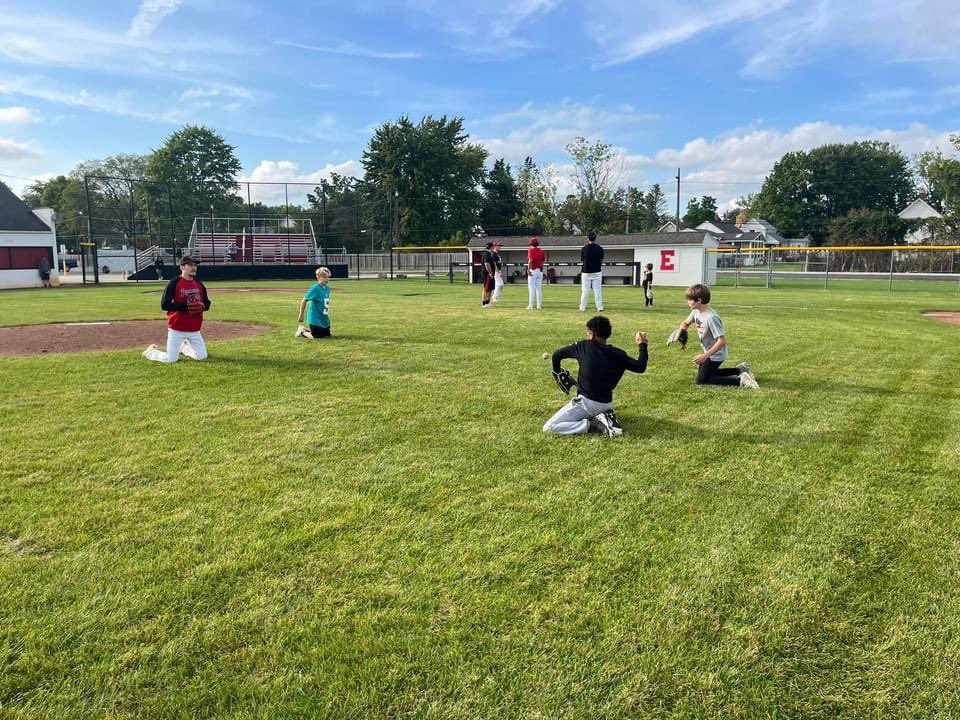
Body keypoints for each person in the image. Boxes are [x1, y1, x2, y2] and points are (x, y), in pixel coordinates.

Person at [543, 315, 648, 437]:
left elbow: (556, 355)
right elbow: (641, 367)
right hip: (606, 403)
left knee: (550, 427)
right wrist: (642, 345)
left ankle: (595, 425)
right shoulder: (619, 354)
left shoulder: (584, 346)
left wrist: (557, 371)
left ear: (592, 334)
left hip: (586, 404)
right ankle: (604, 416)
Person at [674, 283, 759, 388]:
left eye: (690, 299)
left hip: (717, 353)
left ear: (699, 300)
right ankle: (740, 369)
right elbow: (685, 323)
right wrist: (682, 331)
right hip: (708, 351)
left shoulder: (711, 318)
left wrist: (705, 356)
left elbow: (722, 340)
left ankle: (741, 380)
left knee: (702, 380)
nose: (688, 302)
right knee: (708, 374)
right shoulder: (696, 311)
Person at [142, 256, 211, 363]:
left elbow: (207, 303)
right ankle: (151, 352)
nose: (194, 268)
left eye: (195, 265)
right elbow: (165, 305)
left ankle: (184, 348)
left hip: (194, 329)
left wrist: (202, 306)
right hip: (177, 329)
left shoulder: (199, 284)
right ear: (182, 267)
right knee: (171, 360)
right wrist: (185, 307)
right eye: (190, 265)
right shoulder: (174, 283)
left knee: (202, 357)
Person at [296, 267, 333, 339]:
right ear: (318, 277)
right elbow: (304, 300)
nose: (327, 279)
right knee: (316, 336)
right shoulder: (315, 288)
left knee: (326, 335)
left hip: (323, 318)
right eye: (324, 277)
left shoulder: (327, 289)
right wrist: (301, 314)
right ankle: (301, 331)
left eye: (328, 277)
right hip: (315, 318)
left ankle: (306, 330)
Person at [579, 230, 604, 312]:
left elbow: (582, 259)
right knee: (597, 290)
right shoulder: (600, 249)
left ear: (587, 238)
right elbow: (601, 259)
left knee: (585, 291)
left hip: (586, 272)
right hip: (597, 271)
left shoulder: (584, 249)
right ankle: (599, 307)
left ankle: (582, 307)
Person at [526, 236, 545, 310]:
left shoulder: (530, 250)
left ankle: (530, 306)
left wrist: (528, 270)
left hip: (533, 271)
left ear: (531, 244)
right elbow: (543, 261)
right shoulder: (541, 250)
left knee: (531, 289)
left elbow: (530, 261)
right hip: (539, 271)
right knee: (539, 289)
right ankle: (539, 305)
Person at [480, 241, 496, 307]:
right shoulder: (486, 254)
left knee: (489, 288)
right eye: (493, 247)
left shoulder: (488, 254)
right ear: (491, 247)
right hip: (487, 274)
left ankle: (487, 302)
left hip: (489, 274)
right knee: (486, 288)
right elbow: (487, 264)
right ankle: (484, 303)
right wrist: (490, 273)